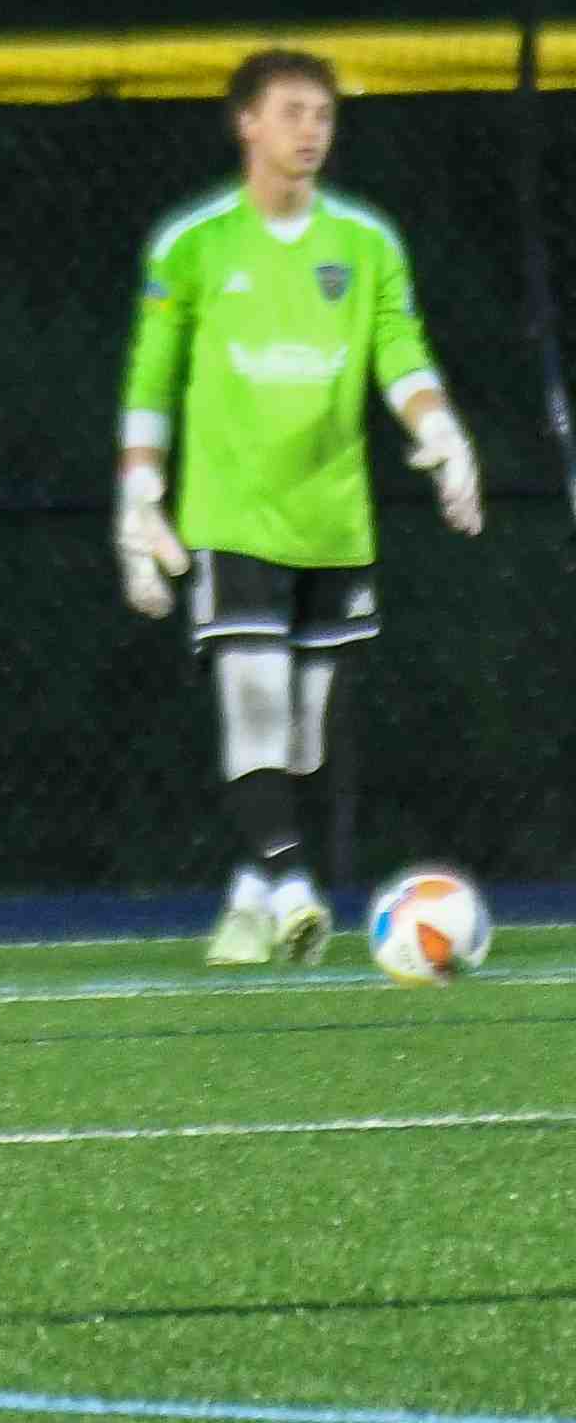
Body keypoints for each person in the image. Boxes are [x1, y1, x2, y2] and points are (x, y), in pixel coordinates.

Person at [113, 49, 482, 967]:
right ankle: (290, 892)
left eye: (322, 114)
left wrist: (444, 435)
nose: (310, 130)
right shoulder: (194, 244)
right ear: (247, 122)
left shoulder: (365, 244)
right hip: (232, 518)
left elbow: (399, 351)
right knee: (252, 709)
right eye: (291, 112)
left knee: (302, 739)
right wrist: (139, 495)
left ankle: (246, 893)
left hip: (332, 522)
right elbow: (151, 380)